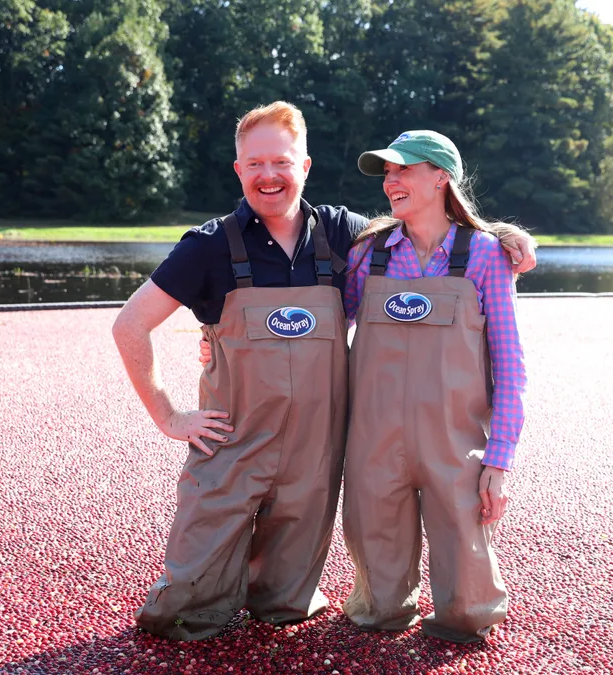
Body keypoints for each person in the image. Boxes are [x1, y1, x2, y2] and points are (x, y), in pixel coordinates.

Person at [111, 103, 535, 641]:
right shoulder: (230, 247)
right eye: (255, 163)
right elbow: (131, 325)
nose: (269, 175)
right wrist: (170, 413)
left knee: (289, 605)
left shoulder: (345, 238)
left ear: (304, 166)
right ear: (238, 169)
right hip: (243, 441)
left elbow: (439, 244)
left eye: (281, 162)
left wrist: (504, 235)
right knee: (182, 611)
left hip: (333, 452)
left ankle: (305, 602)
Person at [339, 130, 526, 644]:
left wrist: (499, 460)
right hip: (374, 445)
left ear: (441, 177)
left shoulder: (487, 256)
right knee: (376, 611)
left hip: (454, 448)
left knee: (468, 615)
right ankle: (383, 613)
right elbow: (324, 334)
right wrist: (221, 344)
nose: (391, 182)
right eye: (387, 173)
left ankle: (460, 616)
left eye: (403, 170)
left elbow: (510, 365)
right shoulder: (367, 255)